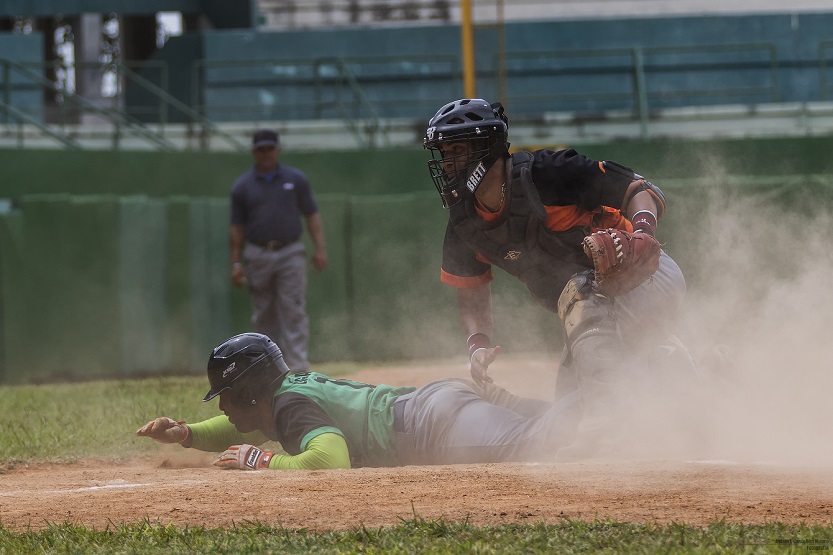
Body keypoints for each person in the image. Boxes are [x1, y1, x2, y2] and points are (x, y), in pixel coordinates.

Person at [422, 98, 692, 456]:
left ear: (486, 148)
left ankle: (613, 415)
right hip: (597, 317)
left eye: (457, 150)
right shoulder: (464, 223)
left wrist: (642, 233)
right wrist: (478, 343)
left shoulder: (547, 172)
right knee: (568, 412)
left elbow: (639, 189)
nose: (448, 162)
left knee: (580, 293)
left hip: (647, 279)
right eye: (444, 153)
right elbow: (471, 292)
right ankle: (696, 379)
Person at [136, 333, 580, 470]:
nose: (223, 409)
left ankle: (619, 405)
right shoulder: (282, 400)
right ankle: (600, 402)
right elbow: (239, 427)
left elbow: (331, 458)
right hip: (431, 410)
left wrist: (261, 462)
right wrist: (186, 434)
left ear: (251, 391)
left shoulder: (290, 407)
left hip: (432, 428)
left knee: (543, 443)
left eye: (228, 397)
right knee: (541, 424)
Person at [229, 129, 328, 372]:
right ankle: (266, 370)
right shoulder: (242, 186)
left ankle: (298, 368)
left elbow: (312, 216)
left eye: (269, 148)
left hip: (290, 252)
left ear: (278, 149)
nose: (265, 153)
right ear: (254, 151)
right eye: (260, 149)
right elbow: (236, 228)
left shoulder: (295, 180)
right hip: (258, 253)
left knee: (293, 309)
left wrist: (320, 249)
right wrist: (236, 264)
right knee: (264, 314)